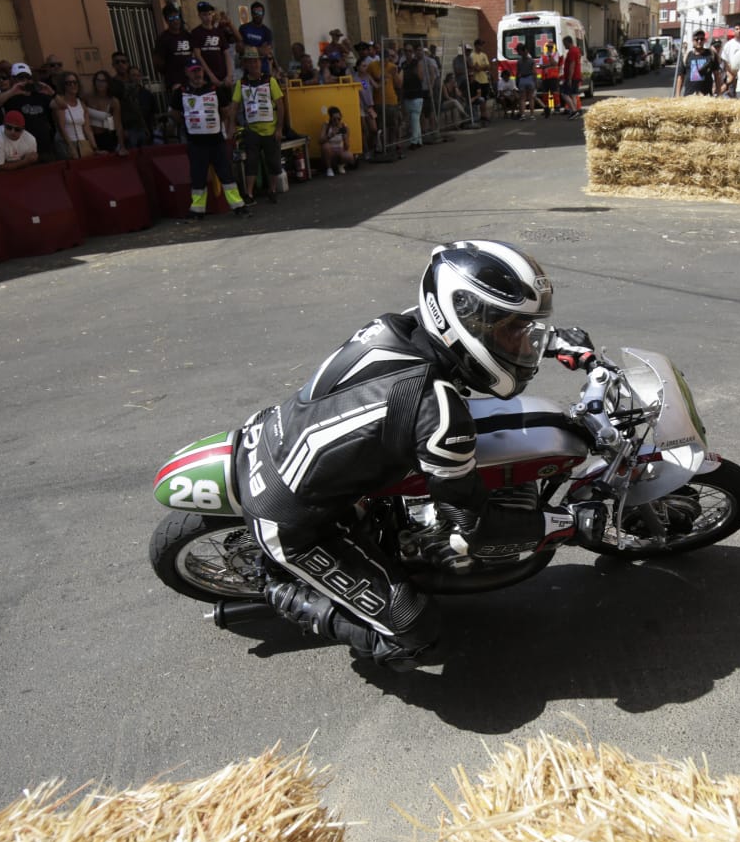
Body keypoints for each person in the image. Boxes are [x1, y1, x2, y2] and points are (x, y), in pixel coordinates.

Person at [233, 241, 603, 670]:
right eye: (509, 330)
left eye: (522, 329)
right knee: (416, 636)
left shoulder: (401, 326)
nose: (520, 343)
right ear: (464, 319)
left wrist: (552, 343)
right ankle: (280, 588)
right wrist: (569, 524)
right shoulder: (438, 413)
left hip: (270, 434)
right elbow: (475, 528)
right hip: (294, 518)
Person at [176, 60, 248, 219]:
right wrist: (187, 123)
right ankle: (197, 210)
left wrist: (225, 127)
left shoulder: (214, 89)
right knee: (198, 177)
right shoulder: (181, 91)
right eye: (193, 71)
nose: (197, 74)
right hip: (196, 143)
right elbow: (174, 112)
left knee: (226, 174)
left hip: (216, 141)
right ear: (187, 72)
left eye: (199, 70)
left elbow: (225, 111)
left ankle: (238, 205)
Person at [232, 47, 286, 203]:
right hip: (252, 130)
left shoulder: (270, 81)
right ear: (245, 64)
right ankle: (249, 194)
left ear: (260, 62)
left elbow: (281, 105)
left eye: (256, 61)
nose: (254, 64)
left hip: (270, 129)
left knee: (273, 162)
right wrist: (232, 125)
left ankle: (272, 189)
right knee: (251, 161)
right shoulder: (241, 83)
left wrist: (279, 128)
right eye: (250, 61)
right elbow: (234, 105)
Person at [0, 63, 57, 161]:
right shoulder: (10, 96)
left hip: (45, 146)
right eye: (21, 78)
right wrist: (12, 91)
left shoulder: (39, 95)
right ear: (13, 79)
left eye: (27, 77)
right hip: (21, 149)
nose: (25, 81)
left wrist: (51, 92)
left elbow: (62, 106)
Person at [190, 1, 238, 113]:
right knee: (212, 109)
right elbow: (198, 56)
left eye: (209, 14)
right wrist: (211, 76)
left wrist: (229, 75)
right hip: (207, 79)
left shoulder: (219, 32)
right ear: (199, 16)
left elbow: (227, 53)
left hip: (223, 76)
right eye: (204, 14)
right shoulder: (196, 32)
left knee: (228, 108)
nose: (207, 17)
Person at [52, 71, 96, 158]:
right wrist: (71, 147)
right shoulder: (60, 103)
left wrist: (94, 147)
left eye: (75, 82)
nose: (73, 85)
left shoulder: (82, 104)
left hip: (83, 144)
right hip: (66, 144)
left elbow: (87, 129)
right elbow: (61, 128)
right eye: (68, 83)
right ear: (63, 86)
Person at [85, 70, 128, 154]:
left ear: (108, 83)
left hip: (107, 137)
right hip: (91, 138)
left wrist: (122, 146)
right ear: (94, 82)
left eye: (103, 81)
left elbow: (118, 124)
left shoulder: (113, 101)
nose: (100, 83)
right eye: (98, 80)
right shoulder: (87, 98)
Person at [155, 8, 194, 95]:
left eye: (177, 17)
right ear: (166, 21)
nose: (175, 20)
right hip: (174, 83)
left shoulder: (187, 35)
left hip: (191, 81)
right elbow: (158, 63)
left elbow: (194, 54)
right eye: (171, 18)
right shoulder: (163, 39)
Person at [400, 43, 428, 148]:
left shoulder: (417, 63)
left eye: (410, 51)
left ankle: (414, 142)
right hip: (407, 94)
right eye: (406, 51)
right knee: (413, 119)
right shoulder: (403, 64)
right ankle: (419, 141)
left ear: (413, 52)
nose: (408, 53)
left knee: (415, 118)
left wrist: (415, 72)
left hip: (417, 94)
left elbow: (421, 77)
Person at [674, 29, 718, 97]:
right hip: (689, 96)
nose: (699, 41)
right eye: (697, 39)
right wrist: (677, 95)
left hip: (706, 96)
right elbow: (680, 77)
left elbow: (717, 75)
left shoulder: (711, 55)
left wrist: (719, 92)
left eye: (702, 39)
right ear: (693, 41)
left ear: (704, 40)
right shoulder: (687, 56)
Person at [319, 106, 355, 176]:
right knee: (325, 146)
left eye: (339, 118)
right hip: (329, 152)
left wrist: (345, 137)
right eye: (334, 119)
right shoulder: (326, 125)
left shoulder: (344, 126)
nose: (337, 121)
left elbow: (347, 147)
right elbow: (320, 141)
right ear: (330, 118)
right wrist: (331, 135)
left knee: (350, 156)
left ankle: (340, 166)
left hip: (339, 151)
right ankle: (329, 168)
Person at [469, 39, 493, 123]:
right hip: (476, 80)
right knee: (477, 98)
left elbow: (487, 66)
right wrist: (480, 67)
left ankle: (484, 115)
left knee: (484, 99)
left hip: (484, 80)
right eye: (480, 45)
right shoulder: (472, 55)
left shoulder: (484, 55)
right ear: (476, 45)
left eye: (482, 45)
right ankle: (476, 116)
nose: (481, 47)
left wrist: (481, 67)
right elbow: (474, 67)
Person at [559, 35, 583, 118]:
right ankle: (575, 111)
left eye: (564, 43)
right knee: (573, 94)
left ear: (568, 42)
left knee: (564, 94)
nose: (564, 45)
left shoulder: (572, 51)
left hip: (572, 77)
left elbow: (572, 65)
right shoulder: (576, 50)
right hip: (576, 76)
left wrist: (569, 78)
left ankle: (573, 111)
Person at [537, 41, 560, 118]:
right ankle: (546, 108)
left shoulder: (555, 54)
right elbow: (540, 65)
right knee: (545, 94)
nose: (549, 48)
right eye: (548, 47)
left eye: (551, 47)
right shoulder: (543, 55)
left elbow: (555, 63)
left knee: (555, 93)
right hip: (545, 77)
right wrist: (547, 65)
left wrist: (550, 58)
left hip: (553, 77)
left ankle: (557, 108)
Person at [515, 43, 536, 120]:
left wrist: (517, 81)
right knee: (531, 98)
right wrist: (535, 81)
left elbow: (517, 72)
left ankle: (523, 115)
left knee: (522, 98)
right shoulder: (532, 61)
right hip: (530, 79)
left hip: (522, 79)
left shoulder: (519, 62)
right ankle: (532, 115)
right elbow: (534, 72)